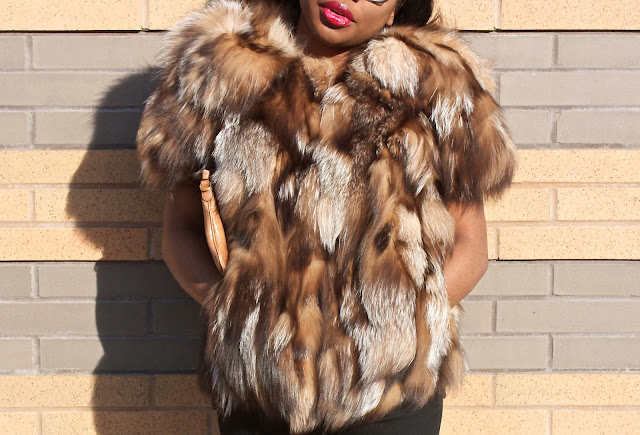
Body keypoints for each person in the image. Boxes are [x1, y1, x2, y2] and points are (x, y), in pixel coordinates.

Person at [137, 0, 517, 433]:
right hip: (260, 393)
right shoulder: (223, 68)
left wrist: (399, 336)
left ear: (396, 9)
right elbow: (182, 230)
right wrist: (237, 315)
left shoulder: (434, 83)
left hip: (390, 397)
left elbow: (471, 245)